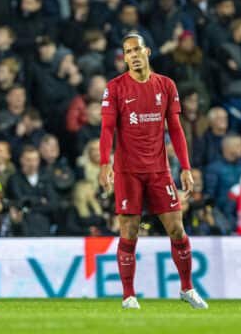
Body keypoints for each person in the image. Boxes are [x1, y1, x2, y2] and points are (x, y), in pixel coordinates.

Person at [99, 33, 208, 309]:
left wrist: (185, 167)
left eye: (136, 49)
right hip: (128, 172)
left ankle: (187, 288)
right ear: (124, 58)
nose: (133, 55)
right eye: (127, 52)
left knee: (176, 229)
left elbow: (176, 129)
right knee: (129, 232)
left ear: (147, 51)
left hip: (159, 170)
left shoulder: (166, 85)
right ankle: (128, 295)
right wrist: (104, 164)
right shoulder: (114, 88)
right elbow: (107, 130)